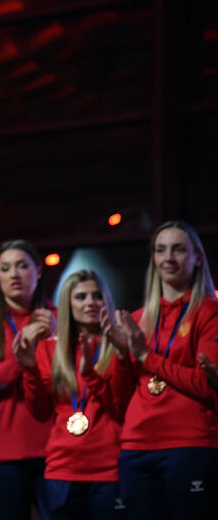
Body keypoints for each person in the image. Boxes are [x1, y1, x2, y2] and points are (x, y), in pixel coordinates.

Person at [101, 221, 218, 520]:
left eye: (179, 249)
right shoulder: (138, 319)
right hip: (137, 447)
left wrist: (145, 356)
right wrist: (123, 355)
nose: (168, 258)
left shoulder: (209, 312)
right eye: (161, 250)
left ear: (198, 258)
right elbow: (119, 400)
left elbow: (205, 386)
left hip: (189, 444)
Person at [14, 269, 123, 519]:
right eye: (81, 296)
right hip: (63, 469)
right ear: (67, 303)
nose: (90, 303)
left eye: (97, 296)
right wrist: (29, 369)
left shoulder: (118, 346)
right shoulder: (49, 349)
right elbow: (40, 413)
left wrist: (92, 376)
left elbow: (121, 407)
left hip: (110, 469)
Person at [0, 239, 56, 520]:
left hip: (55, 451)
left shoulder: (57, 319)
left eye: (22, 266)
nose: (14, 274)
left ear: (38, 271)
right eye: (5, 268)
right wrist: (21, 356)